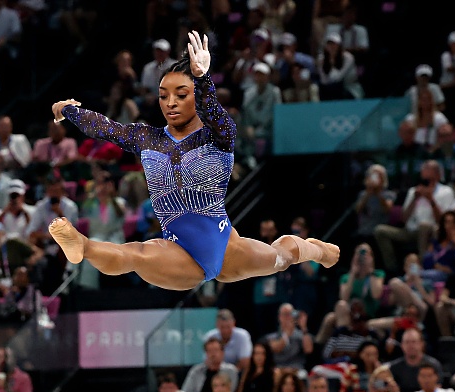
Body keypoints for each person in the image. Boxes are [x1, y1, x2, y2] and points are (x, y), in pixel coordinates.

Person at [48, 32, 339, 291]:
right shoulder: (147, 138)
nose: (171, 103)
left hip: (224, 247)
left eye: (181, 94)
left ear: (195, 97)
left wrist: (202, 78)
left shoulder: (219, 135)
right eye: (164, 96)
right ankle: (82, 246)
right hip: (177, 249)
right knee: (136, 254)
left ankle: (318, 251)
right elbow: (106, 128)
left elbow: (212, 111)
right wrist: (70, 111)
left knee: (281, 257)